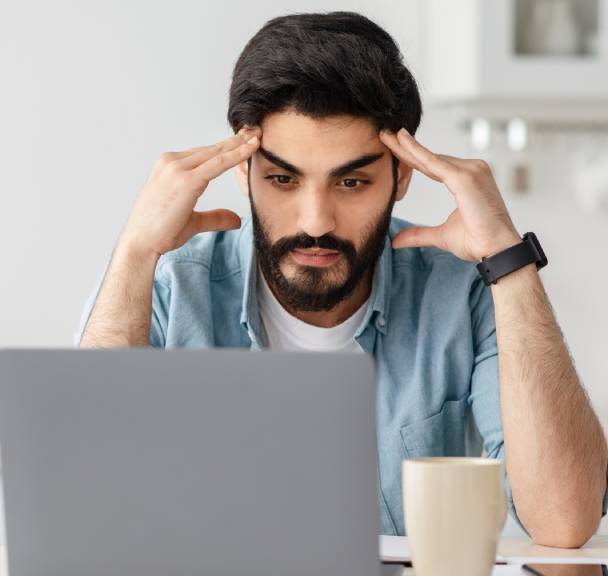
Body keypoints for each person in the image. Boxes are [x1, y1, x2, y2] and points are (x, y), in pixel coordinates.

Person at [74, 11, 608, 547]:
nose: (315, 221)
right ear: (242, 169)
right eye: (282, 178)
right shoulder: (170, 284)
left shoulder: (461, 291)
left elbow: (564, 520)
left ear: (401, 177)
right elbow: (86, 504)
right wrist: (137, 250)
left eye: (351, 181)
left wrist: (509, 261)